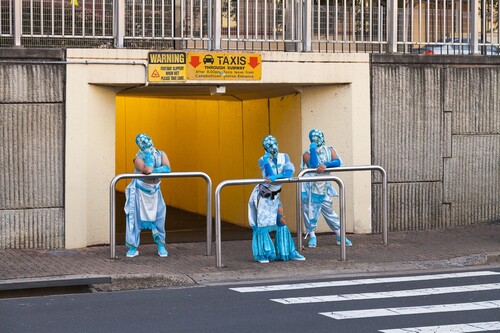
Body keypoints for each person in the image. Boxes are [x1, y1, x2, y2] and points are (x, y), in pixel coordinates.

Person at [248, 135, 305, 263]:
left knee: (281, 222)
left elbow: (288, 173)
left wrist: (276, 177)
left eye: (274, 144)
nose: (273, 147)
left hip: (275, 195)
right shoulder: (262, 160)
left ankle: (288, 251)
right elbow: (270, 175)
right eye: (269, 146)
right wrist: (267, 161)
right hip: (264, 196)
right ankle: (263, 253)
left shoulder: (284, 156)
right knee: (262, 224)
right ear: (265, 148)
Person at [301, 129, 352, 248]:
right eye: (313, 137)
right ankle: (312, 236)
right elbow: (313, 165)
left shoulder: (329, 149)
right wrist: (313, 148)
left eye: (318, 137)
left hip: (324, 187)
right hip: (311, 187)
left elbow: (338, 161)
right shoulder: (307, 153)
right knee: (309, 212)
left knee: (329, 211)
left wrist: (326, 164)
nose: (317, 139)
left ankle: (340, 235)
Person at [124, 133, 171, 258]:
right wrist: (148, 156)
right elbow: (147, 170)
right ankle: (133, 247)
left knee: (160, 218)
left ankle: (161, 245)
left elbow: (167, 168)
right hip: (140, 191)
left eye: (147, 140)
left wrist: (155, 170)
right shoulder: (138, 158)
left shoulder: (161, 153)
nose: (146, 143)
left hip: (155, 190)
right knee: (134, 219)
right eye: (142, 142)